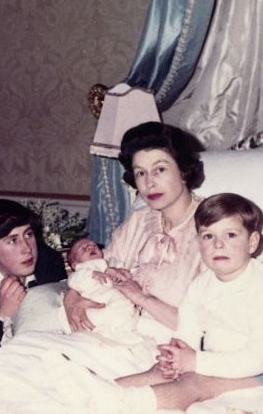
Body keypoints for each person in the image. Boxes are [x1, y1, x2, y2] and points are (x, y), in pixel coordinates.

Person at [116, 193, 263, 410]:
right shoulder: (201, 284)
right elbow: (187, 330)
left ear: (252, 242)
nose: (218, 244)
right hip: (218, 358)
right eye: (208, 236)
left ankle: (120, 404)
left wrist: (195, 362)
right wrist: (176, 356)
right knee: (159, 372)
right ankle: (97, 390)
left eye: (230, 235)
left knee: (192, 384)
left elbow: (257, 359)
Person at [64, 121, 206, 335]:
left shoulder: (214, 226)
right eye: (141, 173)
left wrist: (141, 298)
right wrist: (71, 299)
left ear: (183, 171)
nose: (149, 183)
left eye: (159, 169)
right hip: (111, 334)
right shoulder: (138, 221)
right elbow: (94, 269)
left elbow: (206, 326)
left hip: (169, 347)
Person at [0, 198, 67, 346]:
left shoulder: (48, 262)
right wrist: (2, 315)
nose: (27, 248)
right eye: (13, 240)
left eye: (28, 234)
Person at [61, 237, 140, 343]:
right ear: (75, 264)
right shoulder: (81, 270)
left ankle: (121, 333)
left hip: (114, 299)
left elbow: (128, 277)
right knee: (111, 314)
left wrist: (118, 271)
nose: (90, 247)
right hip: (94, 302)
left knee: (124, 307)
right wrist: (91, 274)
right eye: (83, 248)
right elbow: (74, 281)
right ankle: (111, 333)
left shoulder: (112, 263)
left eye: (94, 246)